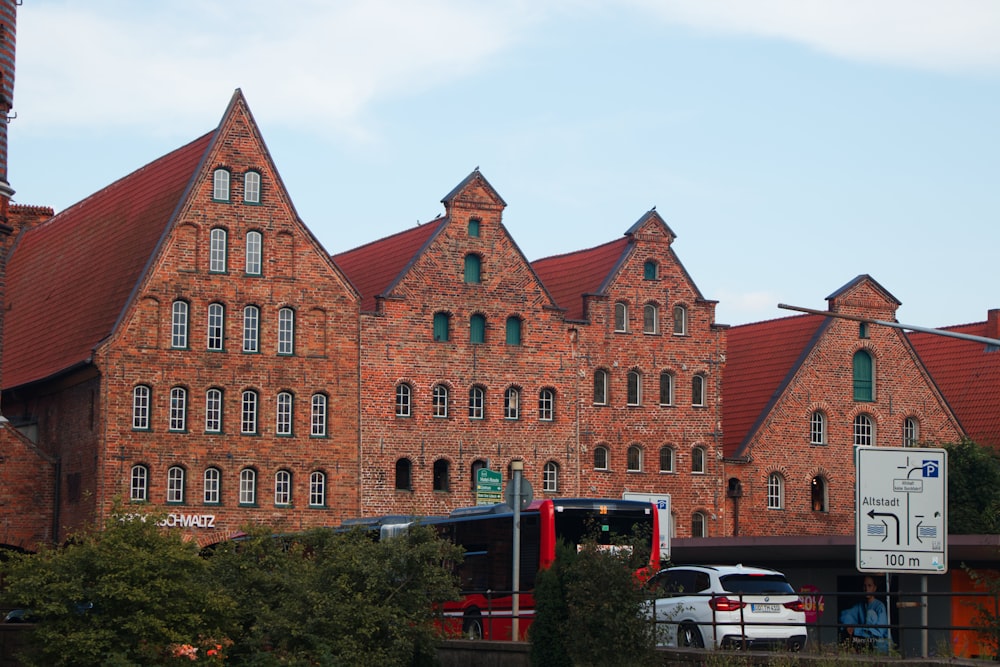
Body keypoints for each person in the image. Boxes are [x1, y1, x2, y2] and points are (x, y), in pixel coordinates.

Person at [839, 575, 890, 653]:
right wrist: (849, 626)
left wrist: (856, 630)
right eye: (864, 586)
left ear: (874, 588)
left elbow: (879, 632)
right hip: (866, 643)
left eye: (869, 586)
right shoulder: (860, 605)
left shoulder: (880, 606)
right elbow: (846, 615)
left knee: (871, 613)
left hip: (880, 645)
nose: (867, 589)